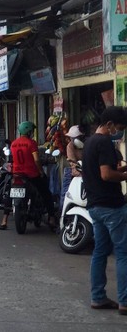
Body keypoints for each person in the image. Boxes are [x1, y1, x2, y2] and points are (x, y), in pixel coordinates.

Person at [81, 106, 127, 313]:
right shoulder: (105, 143)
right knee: (123, 253)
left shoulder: (90, 142)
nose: (120, 132)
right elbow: (107, 175)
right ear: (109, 125)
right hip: (111, 206)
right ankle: (125, 301)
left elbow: (102, 170)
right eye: (119, 127)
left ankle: (98, 297)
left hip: (95, 206)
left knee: (100, 252)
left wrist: (123, 170)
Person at [1, 121, 56, 230]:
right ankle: (51, 218)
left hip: (17, 174)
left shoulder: (14, 144)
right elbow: (36, 159)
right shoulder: (31, 143)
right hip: (31, 174)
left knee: (10, 193)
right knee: (46, 193)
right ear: (29, 131)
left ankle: (4, 220)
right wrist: (41, 172)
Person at [61, 125, 85, 201]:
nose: (72, 139)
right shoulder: (70, 146)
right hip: (72, 170)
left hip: (84, 170)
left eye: (74, 137)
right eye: (71, 137)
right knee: (66, 192)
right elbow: (73, 164)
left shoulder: (86, 145)